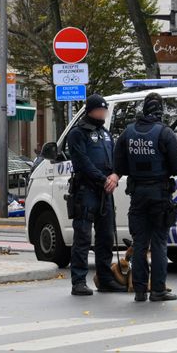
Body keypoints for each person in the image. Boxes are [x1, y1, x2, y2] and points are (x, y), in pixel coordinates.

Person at [114, 91, 177, 302]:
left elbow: (118, 165)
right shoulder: (165, 133)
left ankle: (139, 290)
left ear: (143, 109)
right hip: (159, 194)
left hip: (137, 194)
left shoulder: (127, 133)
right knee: (158, 242)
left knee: (139, 243)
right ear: (161, 110)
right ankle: (158, 289)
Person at [66, 93, 126, 296]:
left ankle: (105, 278)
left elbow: (116, 158)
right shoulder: (77, 133)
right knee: (82, 236)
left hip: (105, 191)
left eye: (104, 110)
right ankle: (79, 281)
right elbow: (82, 163)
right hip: (86, 191)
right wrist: (103, 179)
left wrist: (116, 175)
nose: (103, 113)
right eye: (100, 110)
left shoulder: (106, 133)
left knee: (106, 237)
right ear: (91, 111)